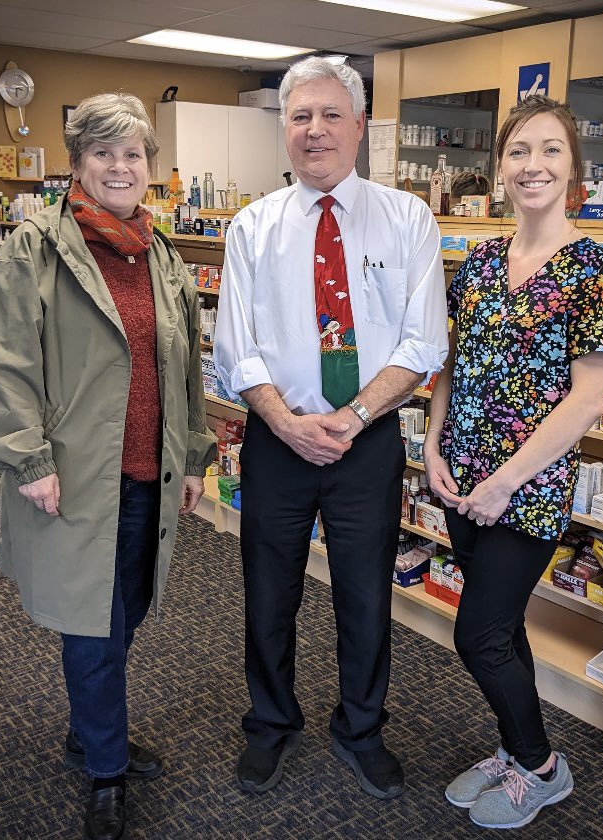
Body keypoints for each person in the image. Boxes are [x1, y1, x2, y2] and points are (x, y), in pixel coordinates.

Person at [0, 92, 216, 840]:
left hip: (148, 474)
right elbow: (4, 362)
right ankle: (104, 768)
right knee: (93, 625)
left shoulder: (163, 255)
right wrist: (28, 458)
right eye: (103, 152)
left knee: (128, 611)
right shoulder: (34, 250)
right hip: (74, 477)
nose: (119, 166)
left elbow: (185, 373)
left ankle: (89, 726)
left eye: (133, 153)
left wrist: (195, 455)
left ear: (150, 167)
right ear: (76, 165)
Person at [214, 56, 449, 800]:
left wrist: (348, 418)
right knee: (268, 593)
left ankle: (360, 730)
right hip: (277, 443)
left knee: (364, 597)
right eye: (299, 117)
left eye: (329, 114)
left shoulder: (407, 217)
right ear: (285, 129)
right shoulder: (252, 227)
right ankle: (271, 725)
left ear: (359, 126)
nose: (314, 130)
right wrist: (284, 422)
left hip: (367, 442)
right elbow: (233, 347)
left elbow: (423, 343)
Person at [423, 95, 603, 830]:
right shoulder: (480, 260)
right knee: (503, 628)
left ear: (575, 168)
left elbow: (587, 402)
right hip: (463, 479)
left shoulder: (596, 270)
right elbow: (451, 363)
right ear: (500, 167)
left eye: (549, 151)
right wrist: (431, 444)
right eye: (518, 152)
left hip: (527, 491)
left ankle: (542, 766)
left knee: (476, 635)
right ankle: (516, 750)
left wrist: (502, 482)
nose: (532, 165)